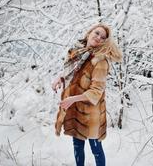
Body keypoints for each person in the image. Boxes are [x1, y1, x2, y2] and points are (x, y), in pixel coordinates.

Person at [51, 23, 122, 166]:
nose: (98, 38)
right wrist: (61, 77)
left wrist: (72, 99)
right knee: (77, 146)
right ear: (89, 32)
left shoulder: (100, 61)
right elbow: (72, 73)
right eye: (97, 33)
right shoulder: (76, 52)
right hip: (75, 108)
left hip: (91, 114)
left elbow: (96, 91)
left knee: (96, 149)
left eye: (103, 38)